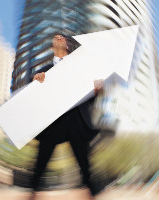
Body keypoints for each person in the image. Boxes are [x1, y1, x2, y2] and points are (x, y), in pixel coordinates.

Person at [30, 33, 104, 199]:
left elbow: (90, 92)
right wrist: (36, 83)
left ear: (68, 45)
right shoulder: (44, 71)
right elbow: (34, 97)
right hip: (54, 121)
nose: (59, 38)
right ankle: (32, 190)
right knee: (42, 158)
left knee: (84, 161)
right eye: (55, 38)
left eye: (62, 37)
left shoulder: (80, 67)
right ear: (51, 47)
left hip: (76, 118)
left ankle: (92, 192)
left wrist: (97, 90)